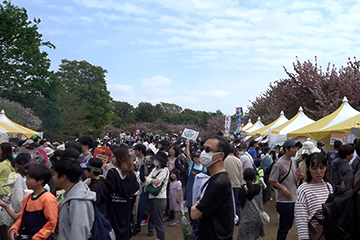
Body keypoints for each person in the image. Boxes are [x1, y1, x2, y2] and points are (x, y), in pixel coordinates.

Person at [191, 135, 234, 240]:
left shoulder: (218, 183)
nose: (203, 153)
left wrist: (194, 208)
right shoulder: (216, 178)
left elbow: (194, 214)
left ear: (220, 155)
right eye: (203, 149)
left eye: (208, 150)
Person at [9, 164, 58, 240]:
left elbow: (52, 222)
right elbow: (22, 217)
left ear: (40, 181)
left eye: (28, 179)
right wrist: (14, 228)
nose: (26, 182)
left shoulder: (48, 198)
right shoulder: (27, 198)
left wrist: (37, 237)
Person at [53, 157, 96, 240]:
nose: (53, 178)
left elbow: (79, 233)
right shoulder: (72, 193)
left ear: (63, 177)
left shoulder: (78, 201)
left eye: (54, 174)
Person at [295, 152, 332, 240]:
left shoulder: (328, 186)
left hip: (330, 231)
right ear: (308, 169)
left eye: (322, 168)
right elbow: (301, 219)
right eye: (314, 168)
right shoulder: (303, 189)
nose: (319, 172)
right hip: (317, 232)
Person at [105, 147, 139, 240]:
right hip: (126, 206)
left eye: (113, 157)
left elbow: (108, 188)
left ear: (119, 158)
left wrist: (108, 170)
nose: (111, 159)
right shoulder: (131, 174)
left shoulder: (112, 173)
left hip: (113, 208)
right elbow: (135, 187)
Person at [269, 139, 300, 240]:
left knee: (288, 225)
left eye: (296, 148)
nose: (296, 150)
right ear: (286, 149)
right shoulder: (279, 163)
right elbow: (272, 180)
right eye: (294, 148)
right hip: (284, 201)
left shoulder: (292, 161)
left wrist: (300, 176)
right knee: (284, 227)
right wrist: (284, 189)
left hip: (292, 199)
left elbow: (293, 178)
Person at [146, 151, 170, 240]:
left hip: (160, 198)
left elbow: (157, 184)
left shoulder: (165, 170)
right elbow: (148, 179)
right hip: (152, 197)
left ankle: (161, 238)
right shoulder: (154, 169)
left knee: (159, 221)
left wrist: (150, 180)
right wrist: (151, 180)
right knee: (154, 218)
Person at [132, 149, 155, 237]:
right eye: (147, 155)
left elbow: (154, 179)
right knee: (140, 209)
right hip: (144, 190)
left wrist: (147, 178)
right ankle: (137, 226)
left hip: (152, 191)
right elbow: (142, 178)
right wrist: (150, 179)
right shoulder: (143, 166)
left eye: (150, 155)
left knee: (152, 210)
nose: (148, 157)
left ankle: (151, 228)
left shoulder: (155, 167)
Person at [237, 168, 265, 240]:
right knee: (254, 236)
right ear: (255, 177)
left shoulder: (242, 190)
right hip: (258, 216)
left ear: (244, 177)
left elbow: (241, 203)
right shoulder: (259, 188)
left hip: (247, 216)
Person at [224, 144, 243, 225]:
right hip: (236, 184)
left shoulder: (224, 160)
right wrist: (241, 183)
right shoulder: (238, 160)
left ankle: (228, 220)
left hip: (227, 184)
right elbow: (241, 174)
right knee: (236, 203)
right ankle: (237, 219)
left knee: (227, 203)